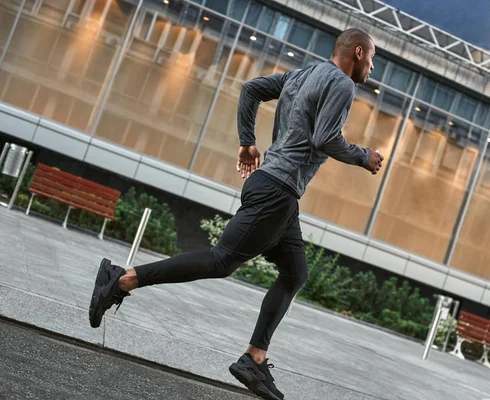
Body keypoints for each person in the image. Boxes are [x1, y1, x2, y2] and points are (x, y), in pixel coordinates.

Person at [88, 27, 384, 400]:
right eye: (372, 58)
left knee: (295, 273)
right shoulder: (342, 84)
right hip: (277, 191)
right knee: (221, 261)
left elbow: (251, 90)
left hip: (279, 192)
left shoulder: (305, 73)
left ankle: (254, 359)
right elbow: (325, 138)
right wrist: (364, 156)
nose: (372, 67)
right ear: (357, 52)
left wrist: (247, 142)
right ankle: (122, 280)